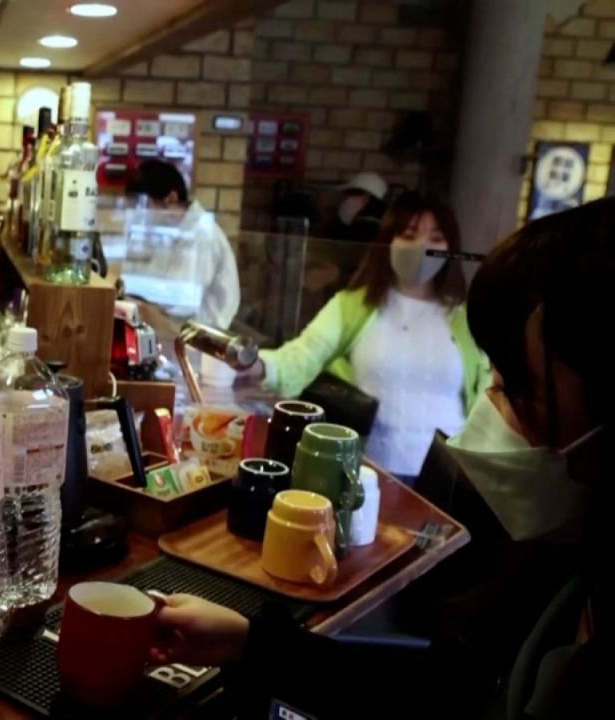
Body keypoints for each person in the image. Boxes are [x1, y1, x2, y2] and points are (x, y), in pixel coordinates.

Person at [151, 197, 611, 719]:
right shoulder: (550, 579)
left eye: (521, 393)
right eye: (497, 381)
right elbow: (435, 695)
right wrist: (246, 641)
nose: (494, 412)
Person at [244, 193, 490, 480]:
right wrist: (255, 363)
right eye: (409, 235)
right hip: (367, 471)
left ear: (451, 248)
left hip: (448, 478)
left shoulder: (467, 317)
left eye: (435, 239)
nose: (422, 247)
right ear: (388, 242)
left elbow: (490, 394)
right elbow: (304, 354)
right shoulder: (352, 307)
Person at [123, 159, 241, 329]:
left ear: (171, 198)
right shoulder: (168, 230)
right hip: (169, 331)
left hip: (200, 339)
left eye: (145, 206)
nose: (141, 216)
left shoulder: (203, 234)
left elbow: (181, 302)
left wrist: (132, 290)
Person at [327, 170, 388, 243]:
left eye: (350, 194)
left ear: (366, 198)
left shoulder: (364, 233)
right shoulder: (381, 228)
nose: (344, 200)